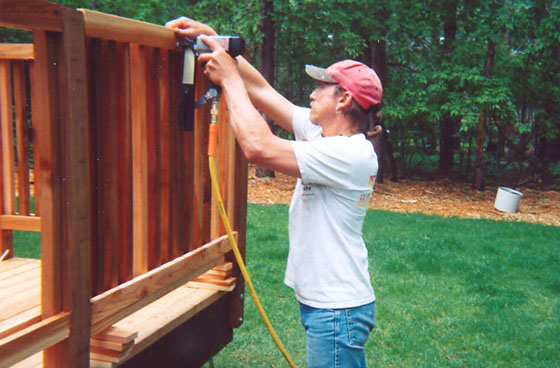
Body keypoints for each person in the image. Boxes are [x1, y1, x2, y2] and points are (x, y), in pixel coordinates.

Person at [166, 17, 382, 368]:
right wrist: (213, 38)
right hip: (329, 304)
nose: (311, 94)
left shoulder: (350, 154)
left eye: (321, 89)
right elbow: (264, 93)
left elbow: (258, 147)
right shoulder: (323, 136)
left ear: (343, 100)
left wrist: (230, 79)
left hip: (337, 309)